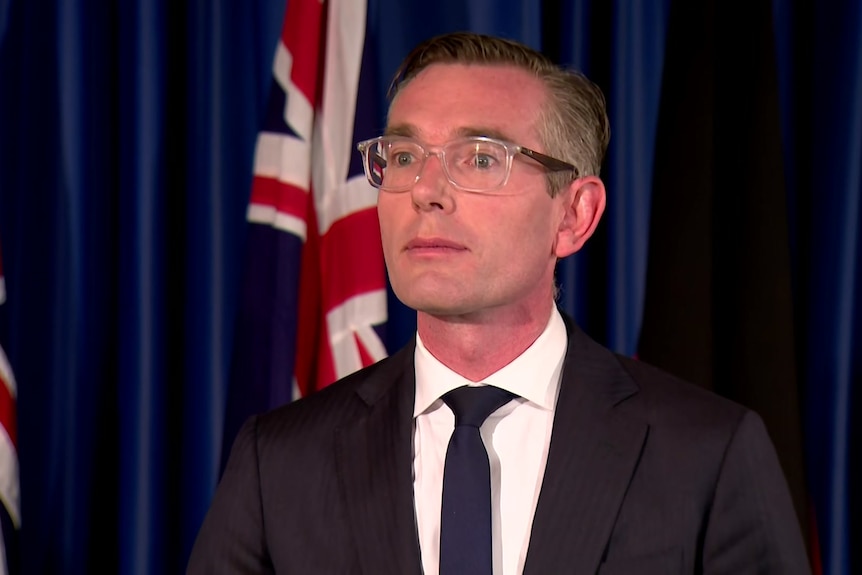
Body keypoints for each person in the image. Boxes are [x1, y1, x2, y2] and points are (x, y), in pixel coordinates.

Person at [187, 32, 810, 574]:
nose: (426, 191)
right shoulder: (280, 463)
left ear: (574, 215)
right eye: (403, 157)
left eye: (480, 158)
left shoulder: (708, 454)